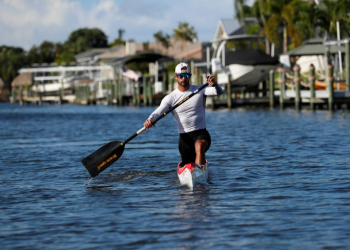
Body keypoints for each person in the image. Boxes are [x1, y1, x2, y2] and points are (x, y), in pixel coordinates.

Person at [143, 62, 223, 168]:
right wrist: (150, 120)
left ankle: (199, 173)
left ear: (189, 76)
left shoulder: (200, 90)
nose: (183, 79)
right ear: (176, 77)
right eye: (180, 76)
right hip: (185, 139)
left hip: (201, 134)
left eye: (185, 76)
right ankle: (196, 169)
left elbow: (219, 92)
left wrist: (215, 84)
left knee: (199, 146)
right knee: (187, 164)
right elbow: (158, 111)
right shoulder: (171, 98)